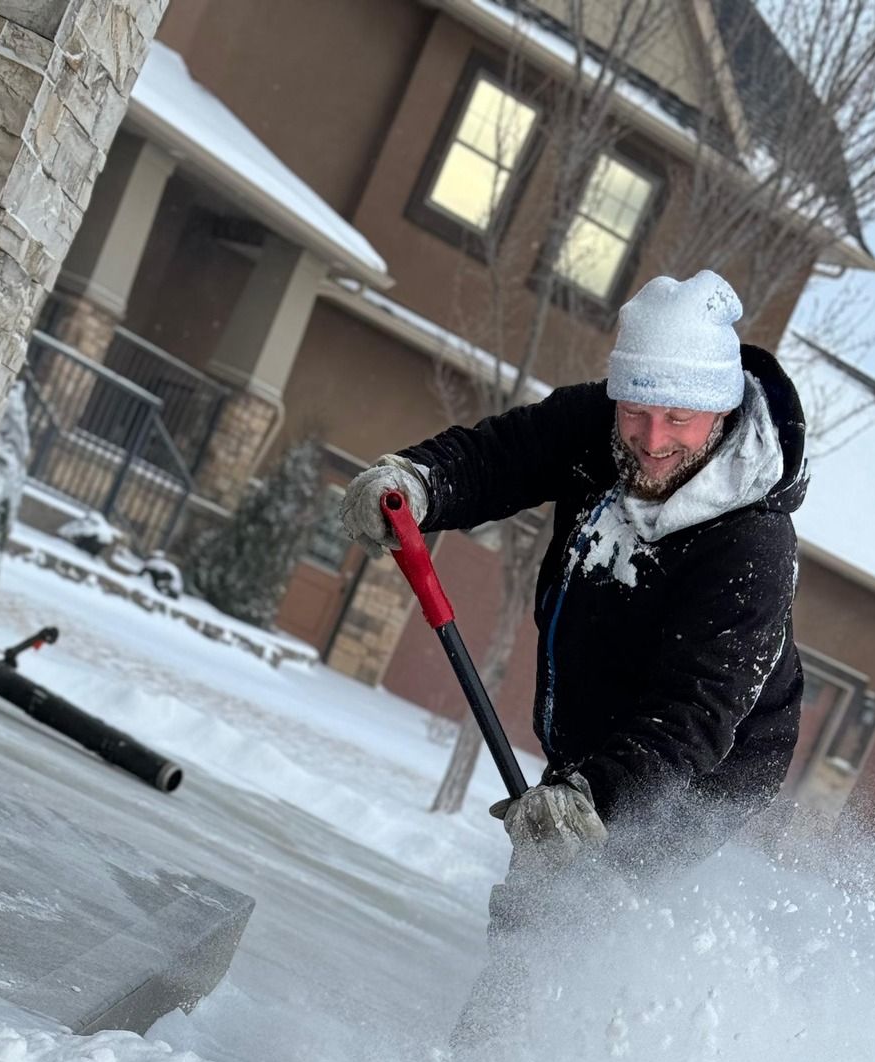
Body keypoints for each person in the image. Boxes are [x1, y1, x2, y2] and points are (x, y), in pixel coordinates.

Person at [339, 269, 808, 881]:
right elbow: (502, 456)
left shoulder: (752, 545)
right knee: (536, 889)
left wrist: (595, 796)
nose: (651, 439)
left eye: (678, 418)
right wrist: (420, 482)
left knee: (584, 896)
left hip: (705, 768)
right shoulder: (598, 427)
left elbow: (696, 709)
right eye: (635, 412)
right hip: (597, 718)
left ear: (719, 410)